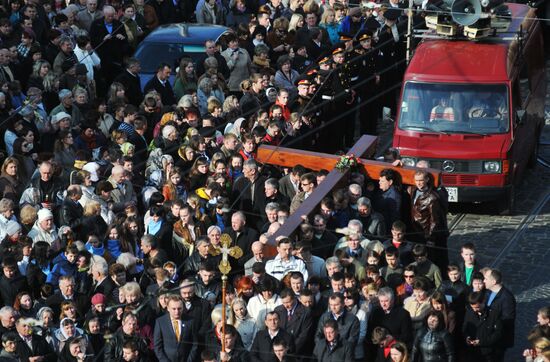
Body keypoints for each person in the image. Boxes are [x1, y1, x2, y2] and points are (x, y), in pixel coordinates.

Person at [153, 295, 197, 362]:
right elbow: (157, 346)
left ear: (183, 308)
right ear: (168, 308)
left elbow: (194, 344)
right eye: (174, 309)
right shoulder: (160, 322)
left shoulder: (190, 321)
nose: (177, 312)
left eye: (179, 308)